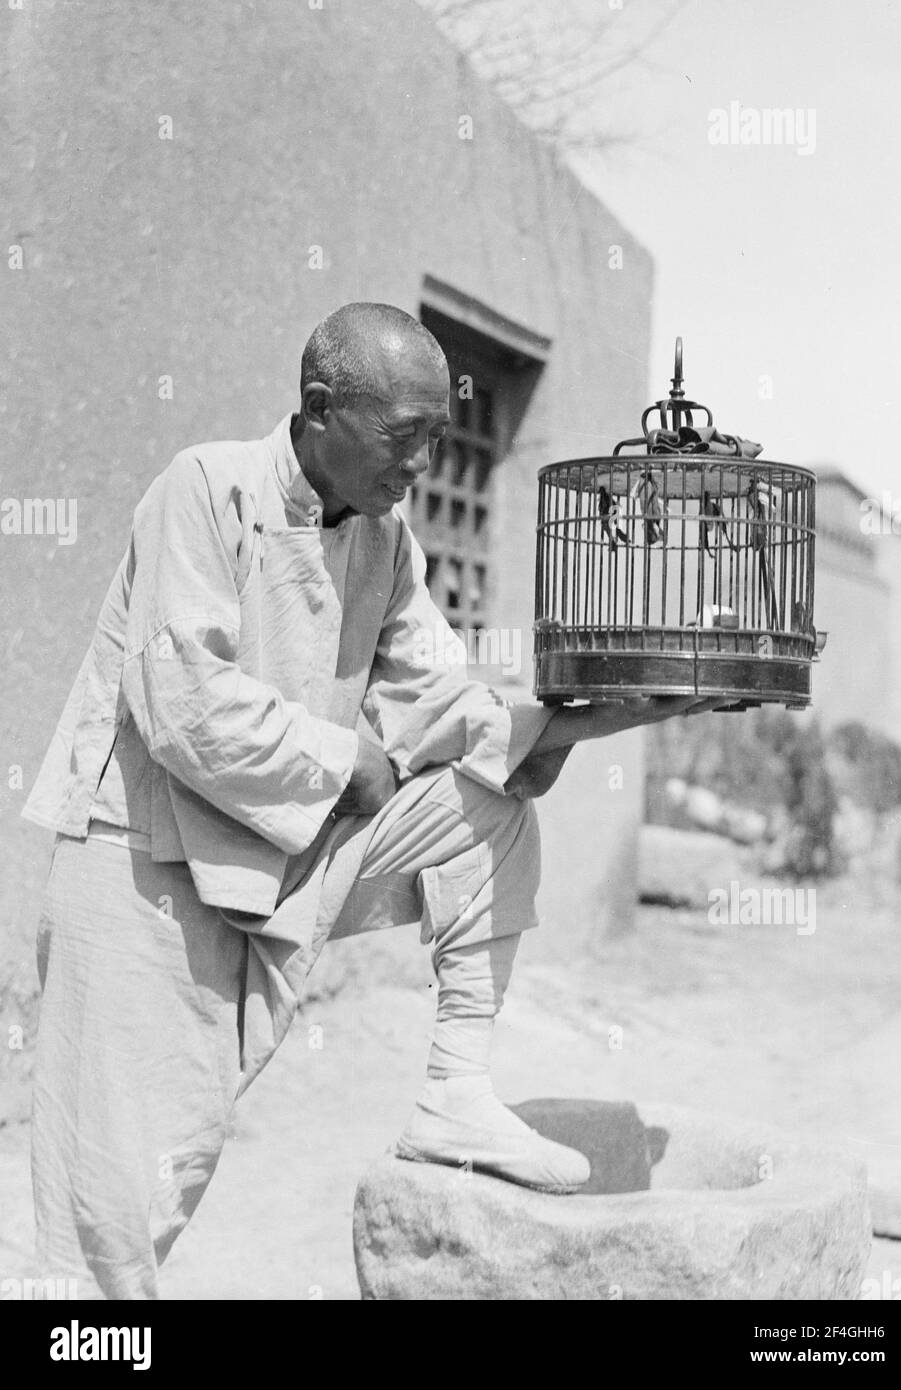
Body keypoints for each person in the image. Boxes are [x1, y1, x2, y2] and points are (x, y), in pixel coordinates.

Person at [22, 302, 715, 1298]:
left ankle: (452, 1094)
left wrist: (586, 719)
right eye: (404, 439)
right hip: (143, 865)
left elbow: (441, 697)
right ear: (318, 412)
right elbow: (182, 708)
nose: (421, 466)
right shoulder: (205, 487)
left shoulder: (387, 546)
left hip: (281, 849)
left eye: (434, 439)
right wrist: (343, 757)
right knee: (118, 1211)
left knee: (487, 812)